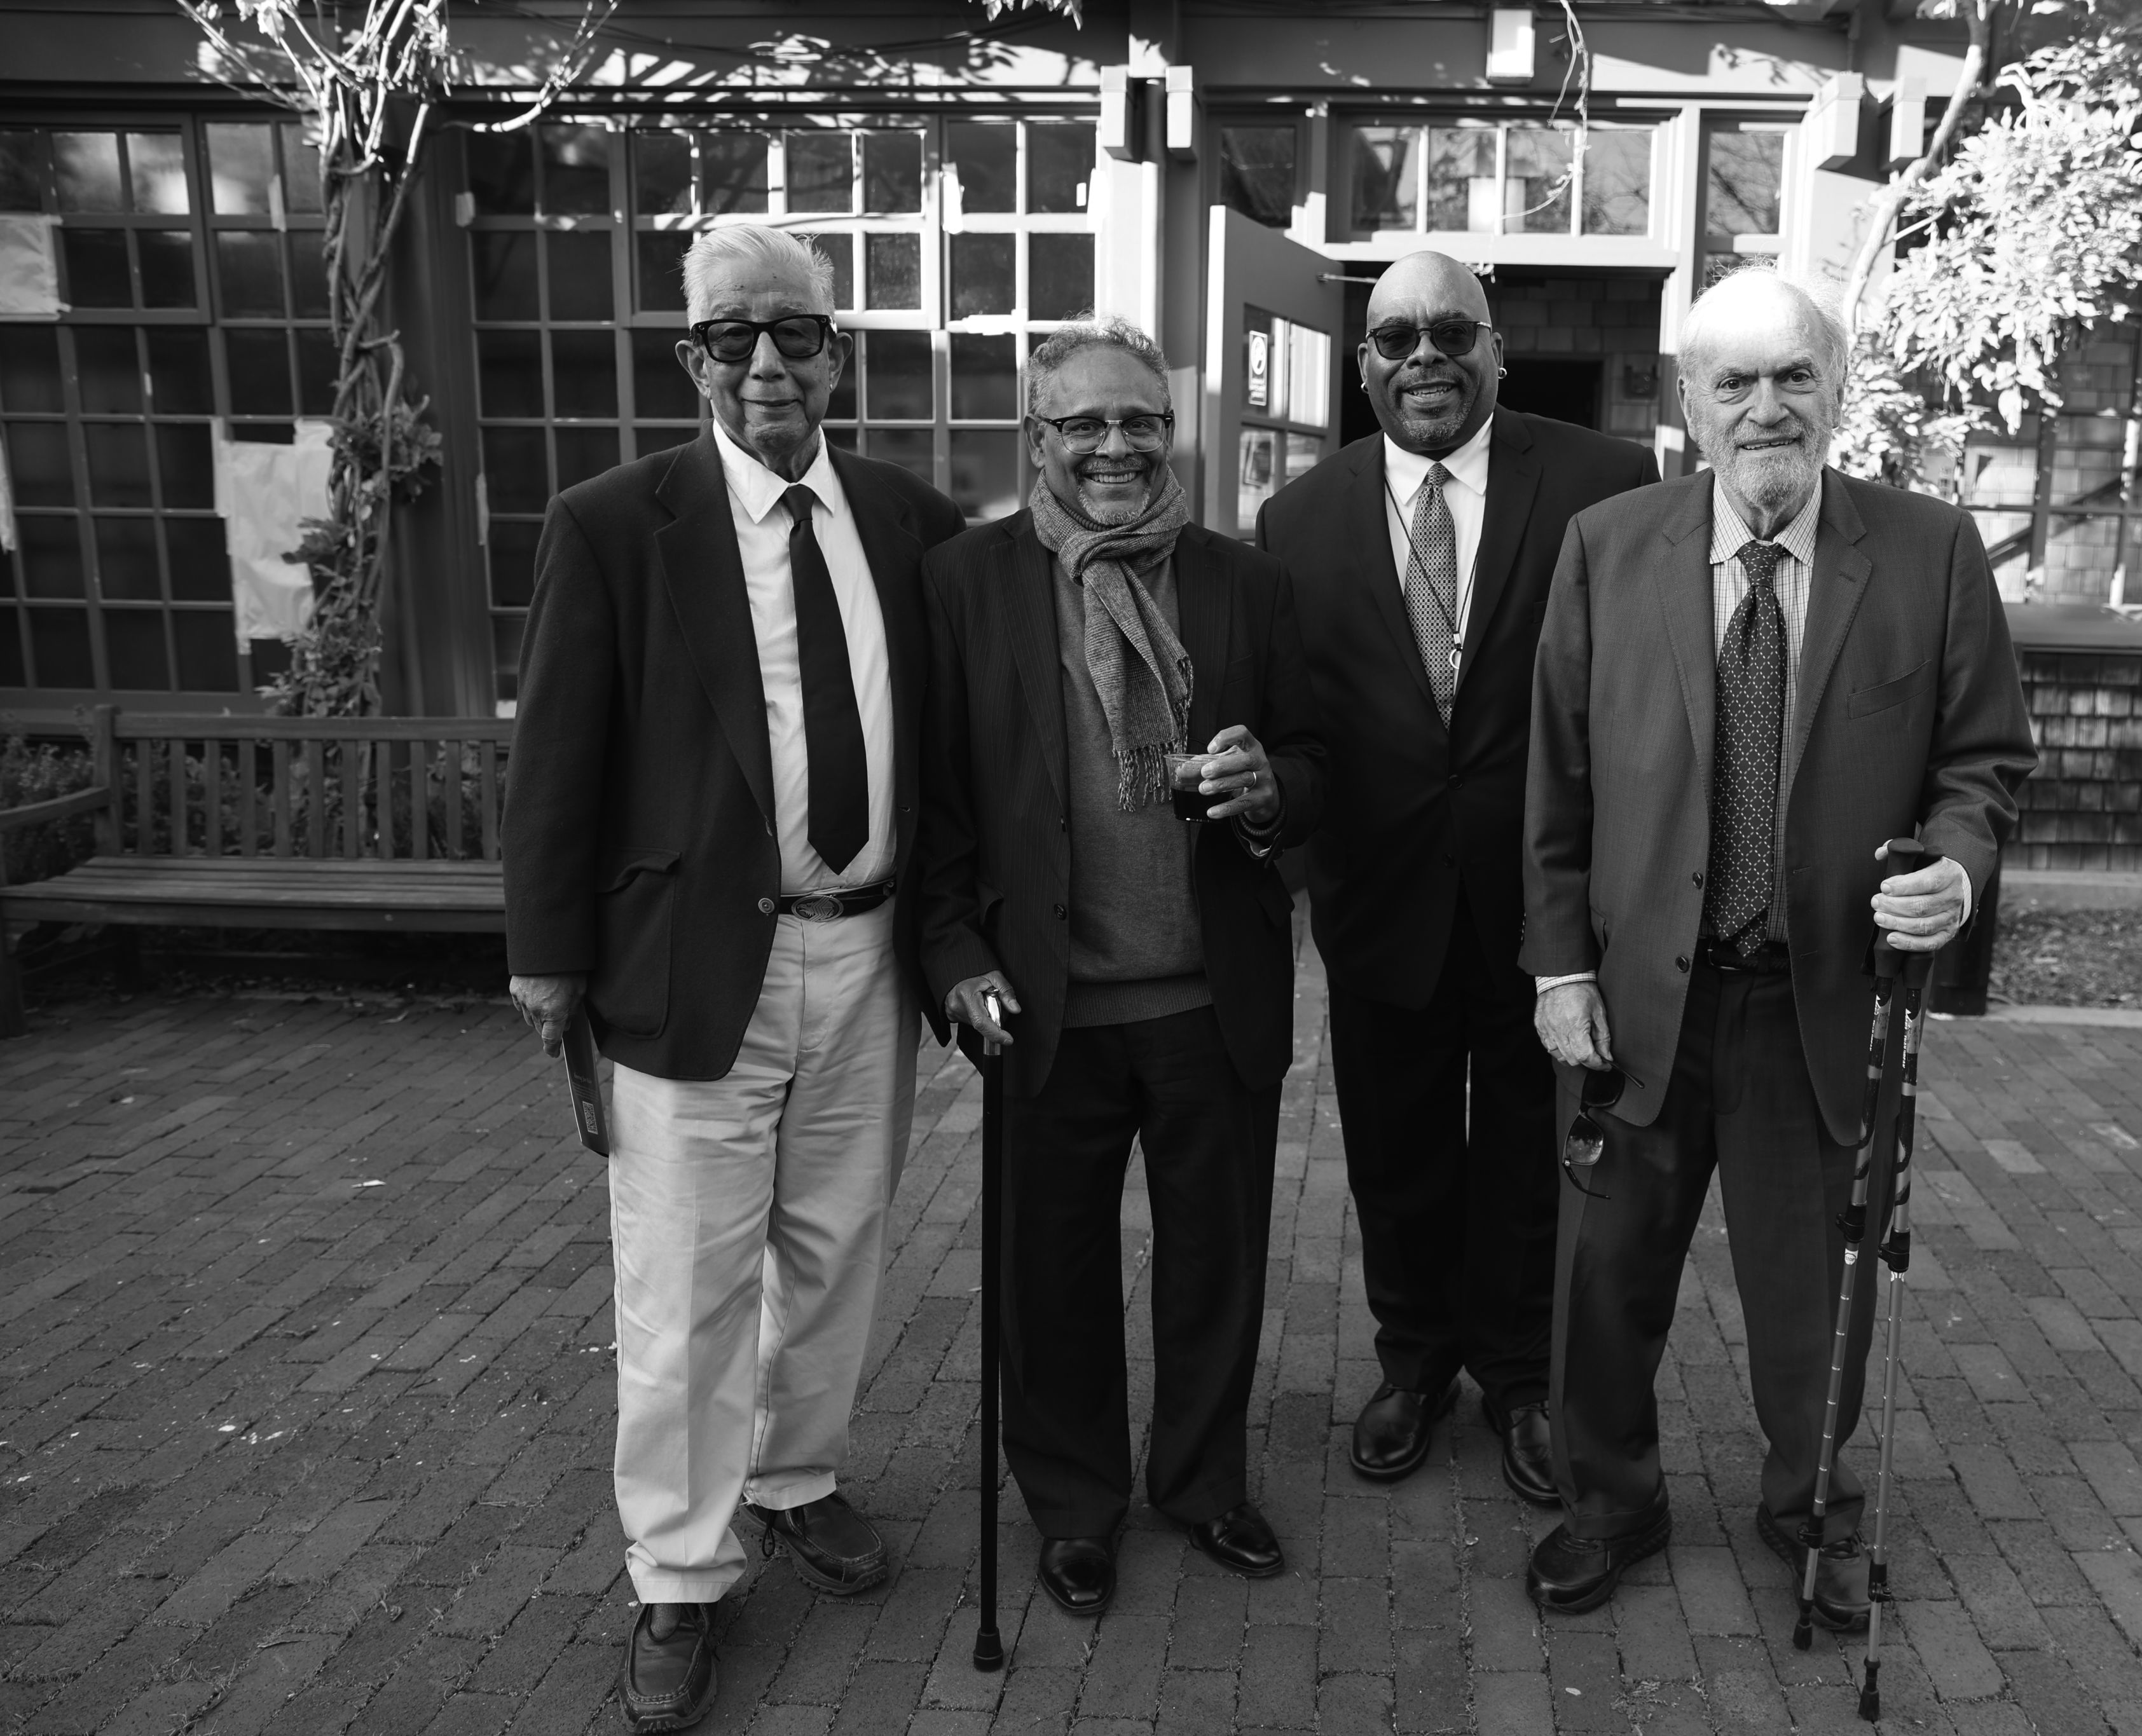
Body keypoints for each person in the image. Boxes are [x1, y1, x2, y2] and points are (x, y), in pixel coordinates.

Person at [1518, 269, 2036, 1616]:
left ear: (1835, 388)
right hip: (1637, 1001)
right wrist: (1561, 969)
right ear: (1689, 403)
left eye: (1791, 376)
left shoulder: (1925, 553)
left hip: (1819, 1000)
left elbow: (1977, 766)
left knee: (1814, 1295)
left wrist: (1954, 877)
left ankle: (1810, 1504)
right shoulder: (1607, 546)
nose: (1764, 408)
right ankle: (1609, 1504)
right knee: (1604, 1281)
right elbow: (1556, 782)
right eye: (1731, 382)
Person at [503, 227, 964, 1731]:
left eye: (795, 334)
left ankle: (793, 1475)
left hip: (868, 950)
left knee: (834, 1248)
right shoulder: (614, 521)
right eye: (730, 338)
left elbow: (949, 747)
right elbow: (557, 756)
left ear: (839, 352)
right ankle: (679, 1571)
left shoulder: (908, 520)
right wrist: (549, 960)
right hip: (689, 966)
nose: (766, 362)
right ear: (691, 358)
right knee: (685, 1286)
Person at [918, 315, 1326, 1616]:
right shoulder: (965, 584)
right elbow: (930, 802)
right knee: (1052, 1276)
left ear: (1170, 430)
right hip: (1042, 999)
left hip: (1210, 992)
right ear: (1037, 437)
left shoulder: (1241, 585)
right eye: (1082, 423)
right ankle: (1074, 1504)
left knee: (1216, 1259)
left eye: (1137, 421)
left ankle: (1202, 1483)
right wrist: (953, 953)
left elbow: (1320, 764)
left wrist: (1270, 791)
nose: (1112, 446)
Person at [1255, 253, 1656, 1506]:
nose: (1422, 356)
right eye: (1393, 338)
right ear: (1362, 363)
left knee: (1535, 1160)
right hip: (1379, 898)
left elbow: (1634, 694)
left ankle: (1522, 1376)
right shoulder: (1298, 518)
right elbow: (1297, 718)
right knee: (1396, 1150)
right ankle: (1414, 1360)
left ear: (1494, 349)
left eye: (1448, 332)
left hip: (1548, 905)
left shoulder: (1602, 482)